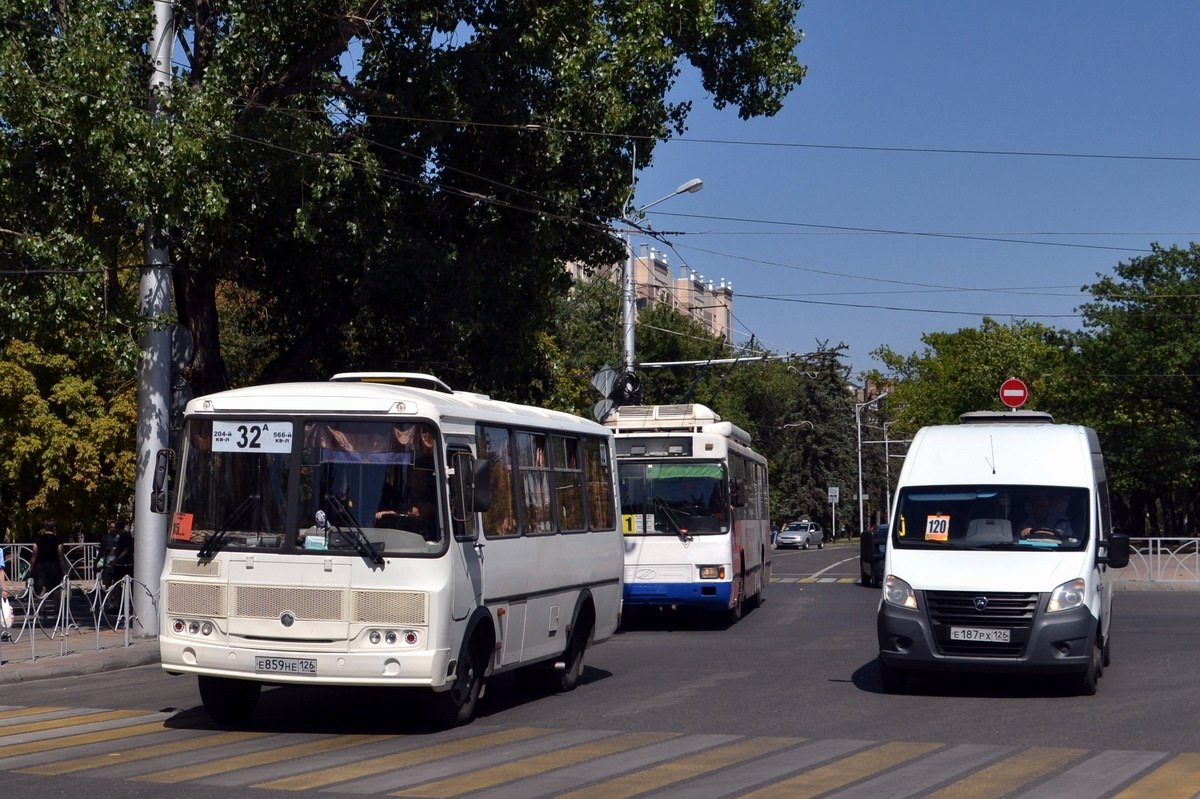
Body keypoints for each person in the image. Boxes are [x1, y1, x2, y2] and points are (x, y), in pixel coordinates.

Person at [31, 520, 68, 598]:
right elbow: (61, 555)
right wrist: (64, 570)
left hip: (40, 566)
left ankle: (41, 608)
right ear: (54, 529)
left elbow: (34, 554)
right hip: (54, 566)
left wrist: (32, 568)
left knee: (41, 588)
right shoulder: (57, 540)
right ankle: (57, 608)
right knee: (56, 589)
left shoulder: (39, 539)